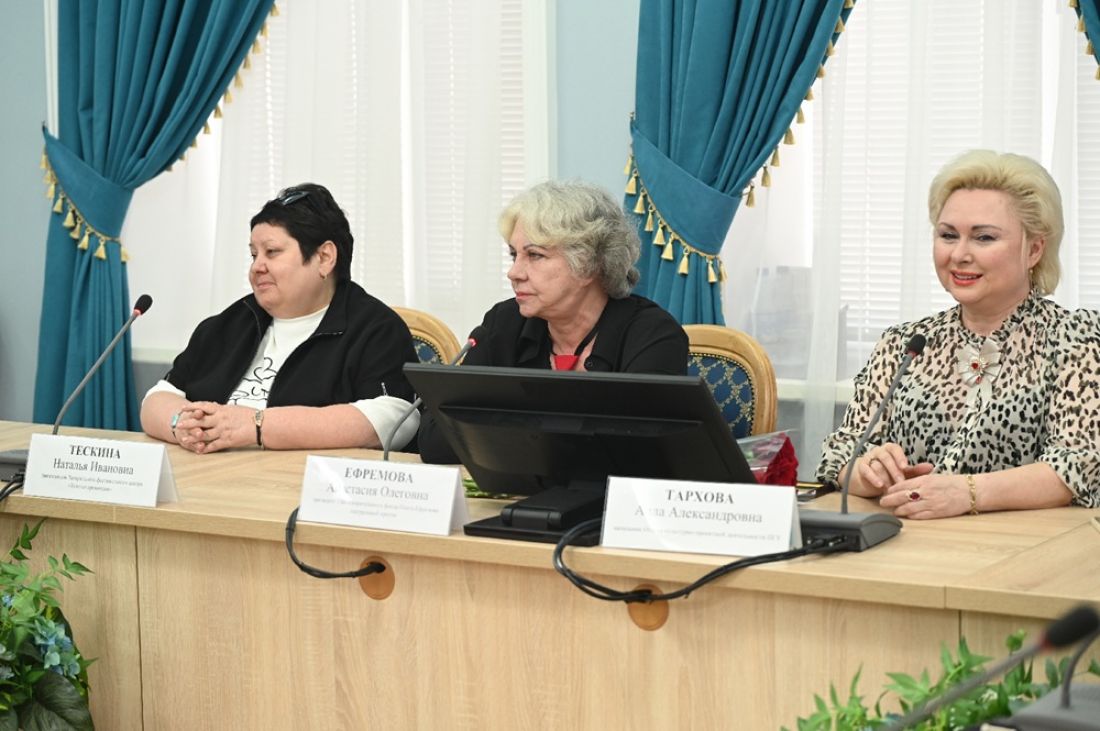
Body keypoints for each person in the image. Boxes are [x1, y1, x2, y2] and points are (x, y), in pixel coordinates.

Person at [817, 150, 1100, 518]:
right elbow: (839, 453)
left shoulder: (1076, 339)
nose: (959, 254)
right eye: (948, 235)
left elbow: (1077, 465)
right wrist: (867, 473)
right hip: (908, 537)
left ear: (1033, 249)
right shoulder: (904, 343)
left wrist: (968, 493)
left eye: (984, 238)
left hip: (1026, 546)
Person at [418, 179, 688, 464]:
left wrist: (502, 421)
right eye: (514, 255)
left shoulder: (653, 335)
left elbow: (638, 452)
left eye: (535, 255)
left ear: (589, 265)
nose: (514, 272)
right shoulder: (503, 323)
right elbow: (436, 441)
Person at [140, 183, 420, 453]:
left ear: (324, 257)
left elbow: (393, 420)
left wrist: (256, 426)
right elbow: (158, 398)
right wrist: (181, 424)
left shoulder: (376, 329)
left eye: (271, 252)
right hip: (207, 474)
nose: (256, 267)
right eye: (253, 255)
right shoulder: (228, 324)